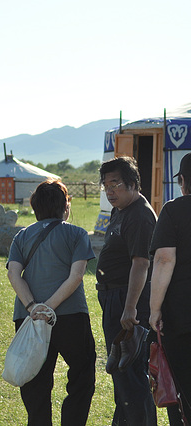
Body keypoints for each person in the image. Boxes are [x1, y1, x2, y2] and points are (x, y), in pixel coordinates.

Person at [7, 179, 96, 426]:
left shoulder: (22, 236)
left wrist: (34, 307)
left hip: (29, 317)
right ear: (65, 206)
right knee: (82, 376)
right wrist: (49, 307)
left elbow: (14, 274)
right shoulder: (77, 234)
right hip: (71, 316)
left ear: (35, 207)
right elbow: (76, 276)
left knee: (35, 380)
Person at [97, 156, 157, 425]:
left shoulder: (141, 215)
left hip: (128, 301)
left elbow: (141, 263)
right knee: (121, 373)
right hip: (114, 298)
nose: (110, 192)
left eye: (115, 184)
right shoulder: (119, 210)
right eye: (105, 186)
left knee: (131, 375)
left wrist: (130, 307)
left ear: (133, 184)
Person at [149, 153, 191, 425]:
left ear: (183, 181)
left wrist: (154, 309)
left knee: (185, 391)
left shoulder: (174, 210)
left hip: (182, 316)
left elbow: (164, 259)